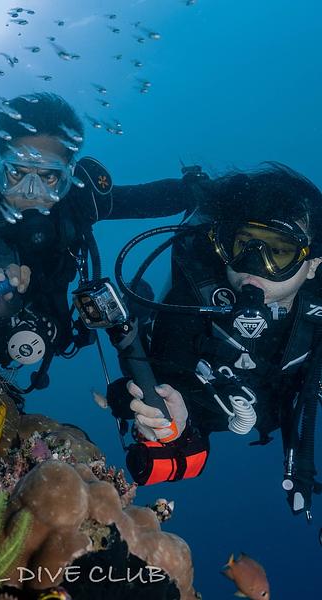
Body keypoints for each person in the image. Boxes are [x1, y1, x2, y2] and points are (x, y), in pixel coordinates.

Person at [0, 93, 202, 392]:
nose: (31, 192)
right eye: (16, 173)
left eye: (49, 177)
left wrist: (204, 190)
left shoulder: (78, 202)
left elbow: (148, 199)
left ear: (69, 173)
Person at [108, 163, 322, 518]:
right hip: (210, 392)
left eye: (279, 251)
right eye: (244, 244)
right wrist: (173, 416)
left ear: (313, 264)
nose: (253, 266)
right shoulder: (195, 293)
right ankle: (140, 311)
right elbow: (169, 377)